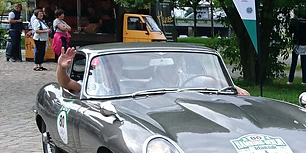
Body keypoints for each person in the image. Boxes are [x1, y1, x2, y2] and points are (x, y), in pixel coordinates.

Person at [56, 47, 249, 96]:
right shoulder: (96, 85)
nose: (172, 66)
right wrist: (61, 68)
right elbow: (67, 85)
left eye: (174, 63)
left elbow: (211, 81)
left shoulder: (190, 80)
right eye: (108, 66)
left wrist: (235, 87)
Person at [287, 11, 306, 85]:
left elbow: (290, 30)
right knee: (304, 64)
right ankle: (304, 80)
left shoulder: (296, 22)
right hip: (305, 43)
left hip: (297, 43)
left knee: (294, 63)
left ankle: (290, 80)